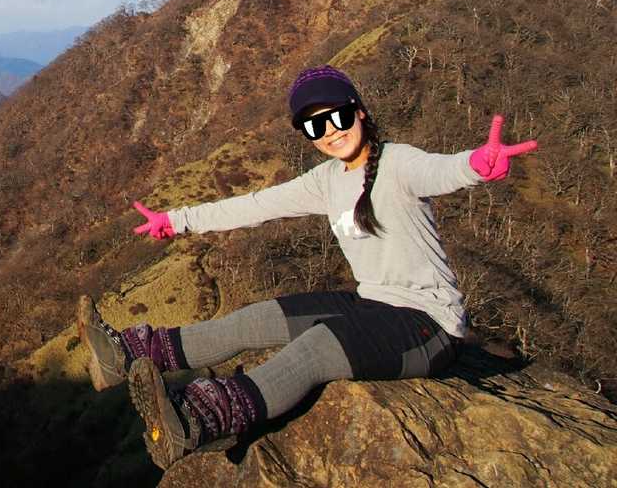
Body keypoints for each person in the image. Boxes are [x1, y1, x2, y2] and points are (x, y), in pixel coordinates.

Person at [76, 65, 539, 470]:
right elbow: (256, 205)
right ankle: (128, 353)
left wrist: (478, 165)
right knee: (257, 318)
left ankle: (200, 419)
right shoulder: (327, 179)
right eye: (316, 127)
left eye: (337, 117)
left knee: (316, 348)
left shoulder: (399, 163)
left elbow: (441, 170)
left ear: (359, 111)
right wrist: (176, 220)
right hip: (373, 302)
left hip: (429, 326)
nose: (331, 132)